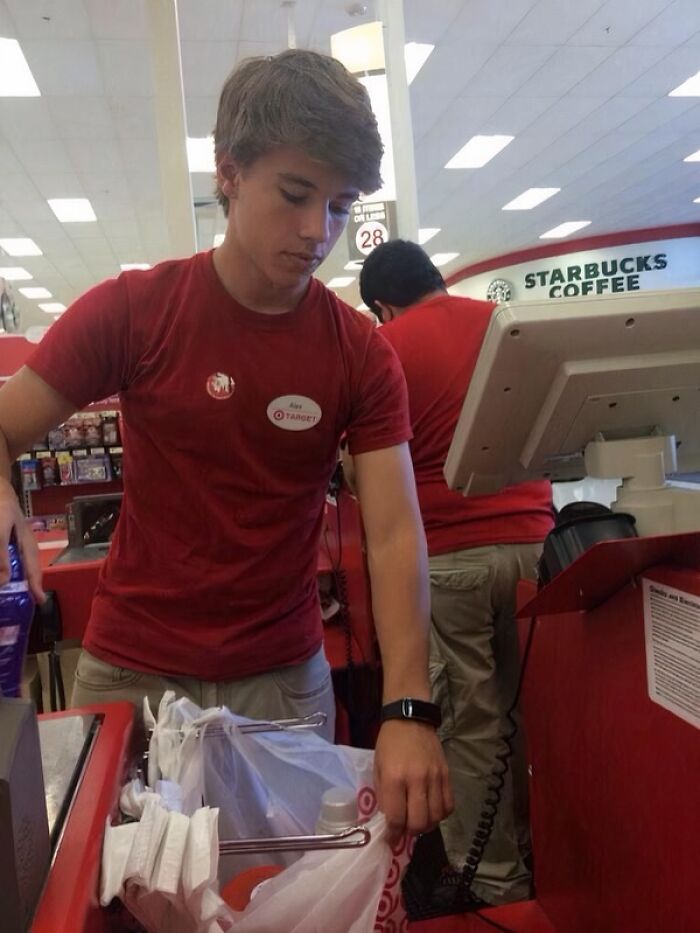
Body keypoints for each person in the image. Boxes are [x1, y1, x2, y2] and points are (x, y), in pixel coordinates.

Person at [0, 51, 452, 842]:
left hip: (282, 679)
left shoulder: (358, 350)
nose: (320, 231)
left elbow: (392, 531)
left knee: (280, 902)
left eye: (342, 205)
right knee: (117, 899)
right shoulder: (136, 310)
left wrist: (408, 706)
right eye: (296, 194)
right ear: (231, 172)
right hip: (132, 667)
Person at [359, 239, 554, 905]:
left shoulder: (389, 348)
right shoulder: (505, 327)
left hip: (449, 562)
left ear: (383, 305)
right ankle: (542, 858)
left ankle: (494, 882)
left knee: (473, 723)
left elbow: (368, 478)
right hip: (536, 547)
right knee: (531, 718)